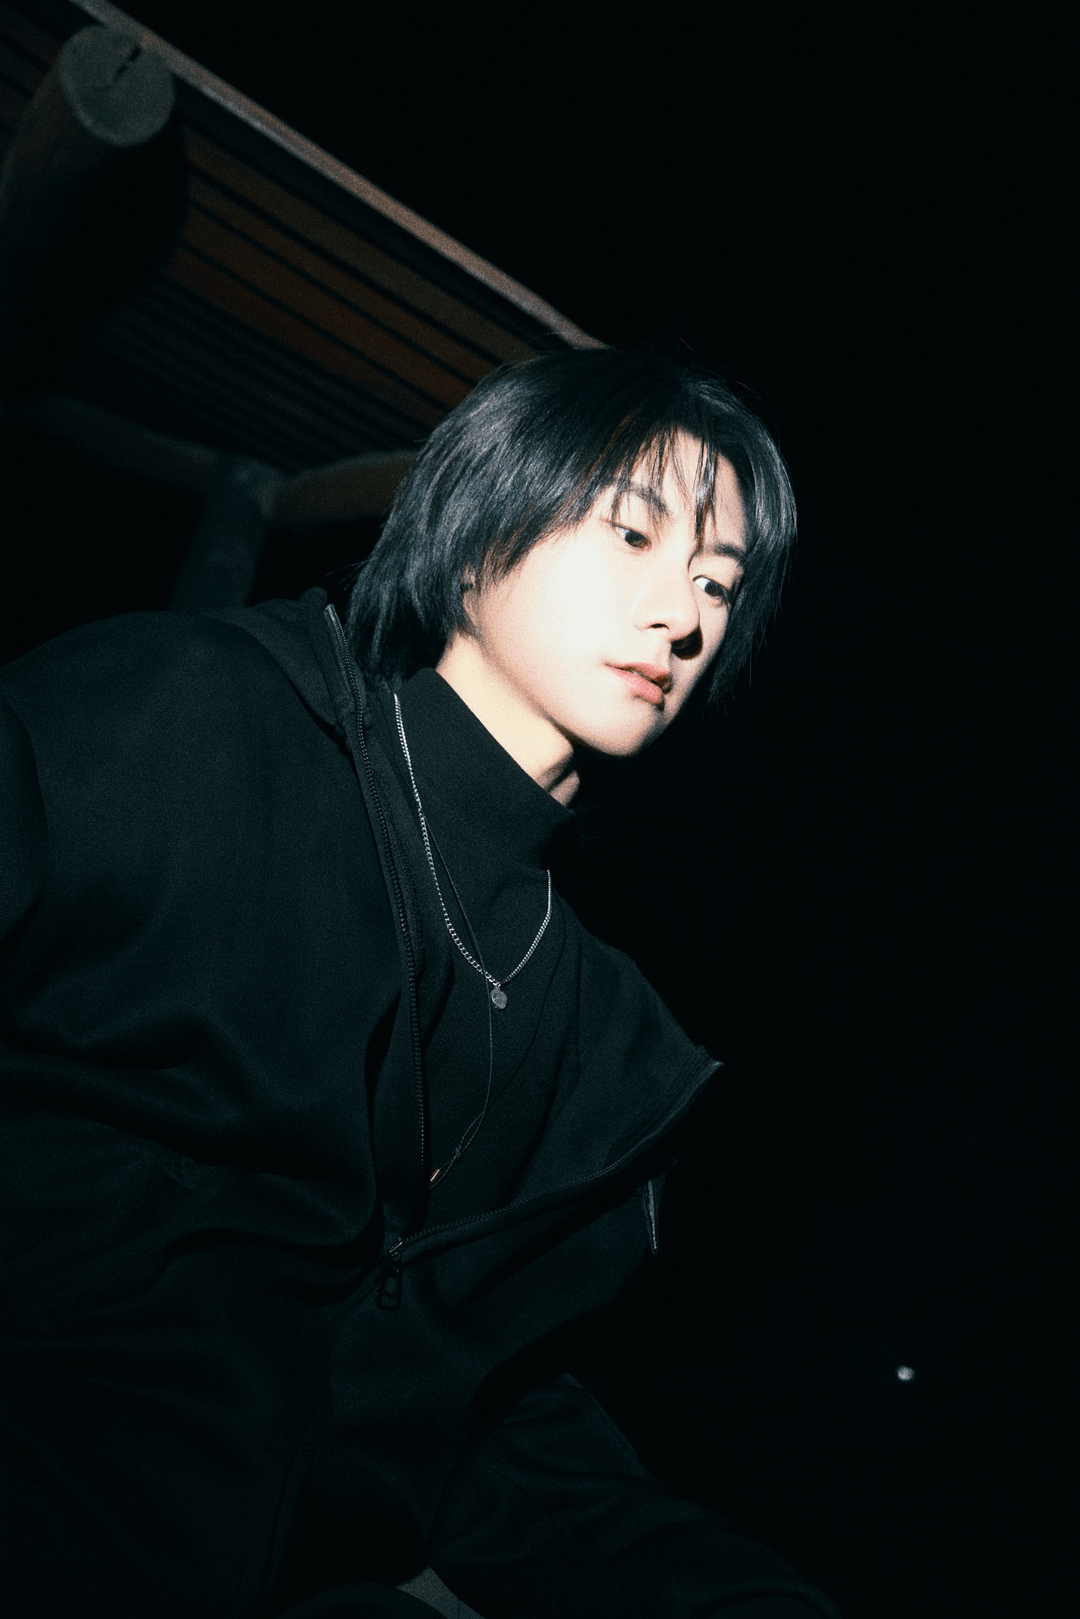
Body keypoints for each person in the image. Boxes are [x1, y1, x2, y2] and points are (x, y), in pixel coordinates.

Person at [0, 349, 838, 1618]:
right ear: (475, 525)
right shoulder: (185, 716)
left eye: (718, 582)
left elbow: (485, 1423)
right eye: (632, 533)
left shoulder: (597, 1031)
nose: (683, 615)